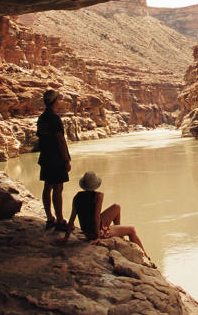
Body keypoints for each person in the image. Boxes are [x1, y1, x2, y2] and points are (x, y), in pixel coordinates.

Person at [61, 171, 146, 254]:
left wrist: (66, 237)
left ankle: (120, 236)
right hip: (97, 232)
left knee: (116, 207)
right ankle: (145, 256)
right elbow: (96, 217)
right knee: (132, 230)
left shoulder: (77, 196)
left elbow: (72, 217)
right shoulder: (98, 196)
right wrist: (97, 237)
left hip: (87, 231)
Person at [37, 89, 72, 229]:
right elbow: (60, 140)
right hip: (56, 158)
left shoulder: (42, 118)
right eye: (58, 99)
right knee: (58, 187)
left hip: (45, 157)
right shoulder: (54, 118)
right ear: (55, 101)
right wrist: (66, 160)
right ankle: (60, 220)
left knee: (47, 186)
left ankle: (50, 218)